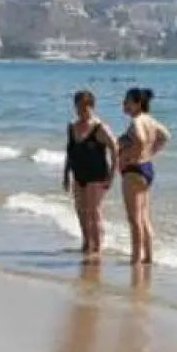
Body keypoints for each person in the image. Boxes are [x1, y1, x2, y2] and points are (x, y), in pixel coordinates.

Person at [117, 87, 171, 270]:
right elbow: (165, 136)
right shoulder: (151, 120)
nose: (123, 104)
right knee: (144, 216)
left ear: (137, 103)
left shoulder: (137, 121)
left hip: (134, 170)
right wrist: (151, 153)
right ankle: (148, 256)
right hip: (147, 169)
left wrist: (131, 157)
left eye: (127, 101)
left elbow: (140, 139)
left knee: (134, 219)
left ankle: (135, 259)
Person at [62, 90, 118, 257]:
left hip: (97, 175)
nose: (81, 111)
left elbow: (114, 149)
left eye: (85, 107)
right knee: (80, 210)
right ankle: (87, 243)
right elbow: (70, 151)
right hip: (78, 174)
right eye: (78, 107)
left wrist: (112, 175)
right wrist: (65, 174)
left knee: (94, 211)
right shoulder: (72, 127)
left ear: (92, 107)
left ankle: (98, 247)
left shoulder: (100, 128)